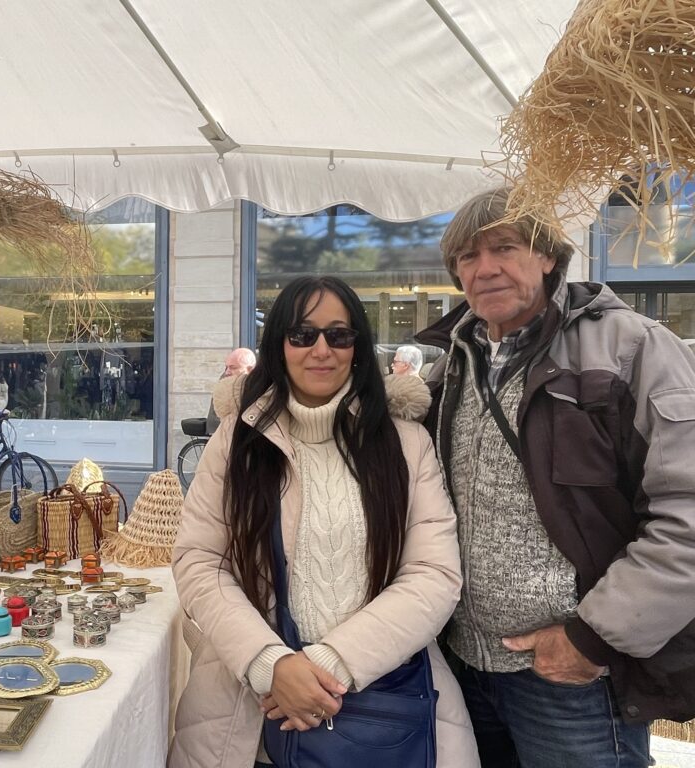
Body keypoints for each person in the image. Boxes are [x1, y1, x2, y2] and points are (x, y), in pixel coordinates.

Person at [416, 187, 695, 768]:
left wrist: (593, 640)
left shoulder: (632, 348)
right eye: (467, 256)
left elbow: (687, 517)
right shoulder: (451, 367)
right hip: (464, 668)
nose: (485, 267)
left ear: (548, 256)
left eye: (505, 247)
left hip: (573, 679)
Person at [170, 276, 478, 768]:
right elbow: (200, 561)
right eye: (302, 334)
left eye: (339, 335)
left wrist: (324, 667)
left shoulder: (405, 443)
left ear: (357, 346)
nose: (321, 349)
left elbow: (434, 575)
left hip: (388, 709)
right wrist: (270, 665)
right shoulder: (236, 441)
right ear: (279, 345)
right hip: (248, 716)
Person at [205, 347, 257, 434]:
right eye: (226, 367)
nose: (227, 372)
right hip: (220, 426)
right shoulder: (227, 381)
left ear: (250, 369)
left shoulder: (257, 382)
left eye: (233, 367)